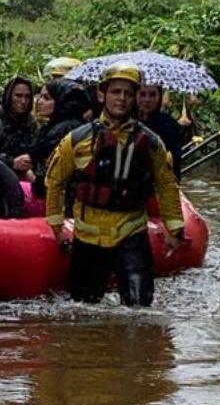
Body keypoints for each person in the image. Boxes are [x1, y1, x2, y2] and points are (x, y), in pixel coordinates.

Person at [44, 63, 184, 307]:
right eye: (116, 92)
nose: (122, 99)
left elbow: (167, 185)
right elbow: (55, 182)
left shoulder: (151, 143)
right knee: (83, 310)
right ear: (102, 94)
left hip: (131, 232)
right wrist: (56, 226)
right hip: (88, 236)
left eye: (129, 93)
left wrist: (175, 229)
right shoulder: (77, 140)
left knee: (140, 311)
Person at [17, 79, 91, 200]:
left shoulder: (63, 130)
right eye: (40, 97)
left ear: (62, 102)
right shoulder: (60, 125)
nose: (39, 102)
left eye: (46, 98)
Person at [0, 75, 38, 179]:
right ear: (9, 95)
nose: (23, 101)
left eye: (27, 97)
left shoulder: (31, 122)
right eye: (18, 96)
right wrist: (11, 162)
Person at [137, 83, 185, 181]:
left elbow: (174, 164)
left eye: (152, 95)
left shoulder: (169, 124)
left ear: (159, 97)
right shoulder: (127, 121)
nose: (147, 99)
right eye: (142, 94)